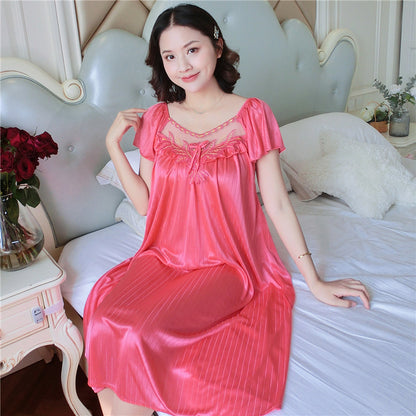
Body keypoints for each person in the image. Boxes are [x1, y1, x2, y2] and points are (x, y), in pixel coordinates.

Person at [83, 4, 370, 416]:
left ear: (217, 47)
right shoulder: (157, 119)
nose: (183, 66)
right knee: (106, 317)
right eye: (169, 56)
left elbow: (276, 204)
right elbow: (145, 204)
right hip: (163, 257)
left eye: (192, 50)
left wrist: (314, 279)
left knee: (141, 331)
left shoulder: (252, 114)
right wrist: (114, 146)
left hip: (227, 265)